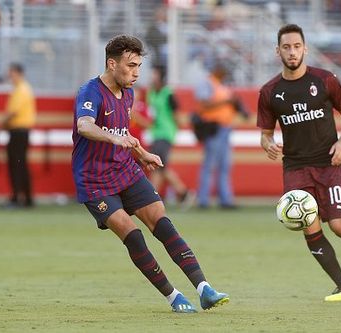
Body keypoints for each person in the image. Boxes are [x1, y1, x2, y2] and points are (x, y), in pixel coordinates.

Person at [71, 35, 228, 313]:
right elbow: (85, 126)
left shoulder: (129, 93)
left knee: (162, 222)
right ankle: (173, 297)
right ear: (111, 63)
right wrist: (112, 138)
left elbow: (123, 133)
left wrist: (141, 153)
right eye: (131, 66)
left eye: (139, 66)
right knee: (133, 235)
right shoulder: (90, 92)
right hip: (95, 181)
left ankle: (204, 288)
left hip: (125, 170)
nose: (136, 73)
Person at [257, 24, 341, 302]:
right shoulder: (269, 92)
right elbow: (265, 135)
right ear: (277, 51)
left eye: (297, 46)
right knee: (309, 225)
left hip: (329, 164)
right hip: (295, 168)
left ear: (305, 49)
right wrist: (268, 145)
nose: (292, 52)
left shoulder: (325, 80)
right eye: (286, 47)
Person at [194, 64, 249, 209]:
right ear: (217, 70)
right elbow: (204, 104)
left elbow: (228, 104)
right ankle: (203, 200)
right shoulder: (207, 83)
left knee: (225, 165)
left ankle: (225, 199)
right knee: (210, 164)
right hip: (213, 128)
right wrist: (226, 102)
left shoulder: (222, 85)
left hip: (225, 128)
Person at [147, 65, 194, 207]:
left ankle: (151, 198)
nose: (151, 76)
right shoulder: (152, 93)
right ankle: (183, 193)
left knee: (157, 166)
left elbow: (177, 116)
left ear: (161, 76)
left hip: (165, 134)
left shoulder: (168, 94)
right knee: (160, 167)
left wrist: (176, 128)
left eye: (154, 74)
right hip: (156, 133)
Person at [2, 63, 36, 208]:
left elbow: (13, 112)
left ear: (17, 73)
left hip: (18, 132)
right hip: (21, 132)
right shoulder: (23, 89)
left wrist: (2, 123)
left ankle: (17, 198)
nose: (9, 76)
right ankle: (26, 198)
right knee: (20, 165)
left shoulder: (21, 90)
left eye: (11, 73)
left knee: (16, 165)